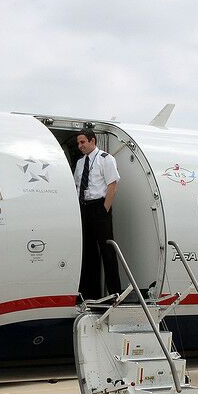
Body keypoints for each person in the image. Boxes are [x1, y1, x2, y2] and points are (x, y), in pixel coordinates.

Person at [74, 129, 122, 301]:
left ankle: (115, 292)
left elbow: (112, 186)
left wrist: (104, 210)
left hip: (99, 207)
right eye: (78, 143)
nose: (80, 146)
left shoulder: (105, 159)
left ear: (92, 141)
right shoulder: (80, 163)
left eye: (82, 142)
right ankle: (90, 293)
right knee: (88, 252)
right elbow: (78, 185)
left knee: (107, 250)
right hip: (84, 207)